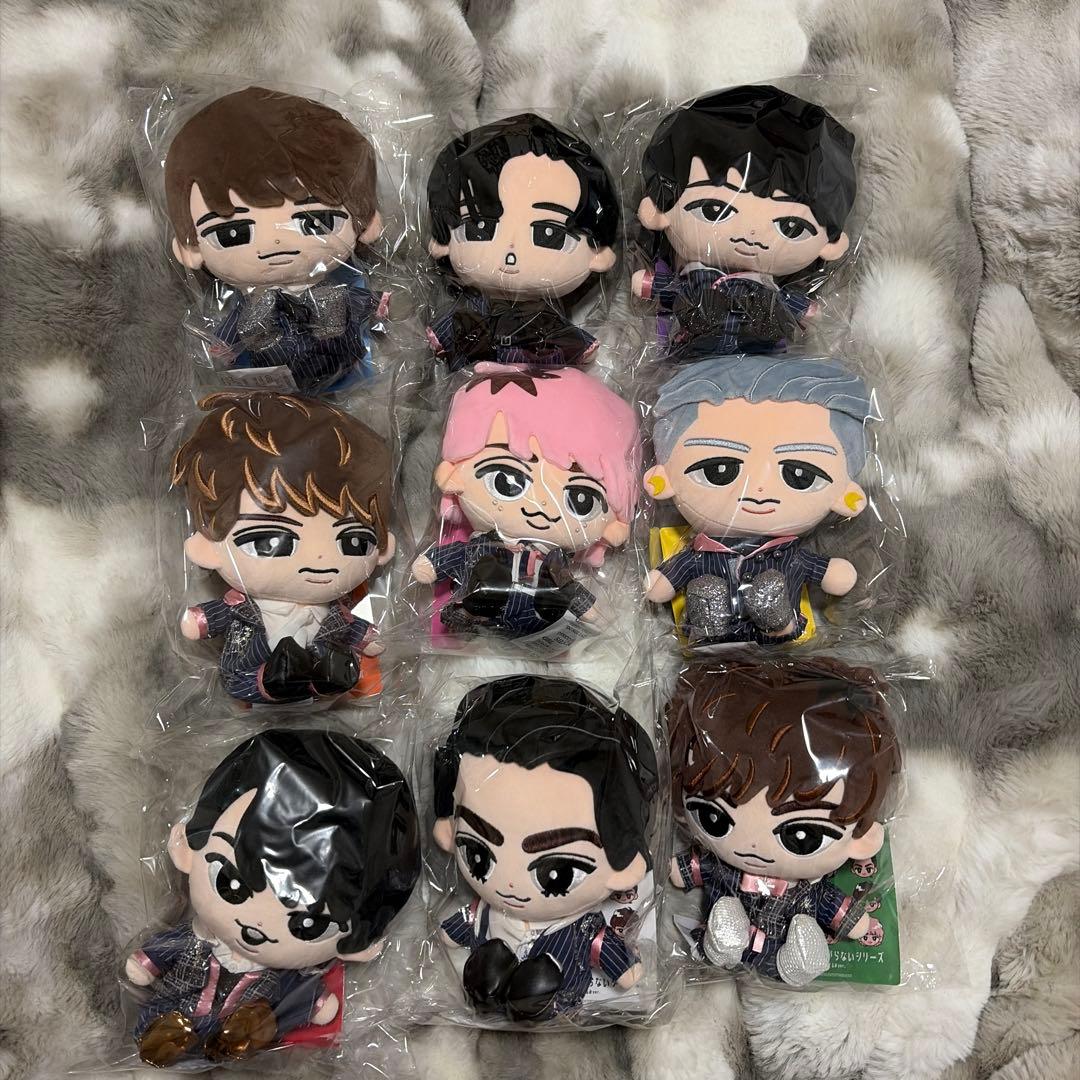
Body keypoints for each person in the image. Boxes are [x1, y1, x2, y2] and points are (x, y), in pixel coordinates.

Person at [125, 729, 420, 1065]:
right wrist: (145, 964)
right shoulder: (197, 939)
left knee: (263, 1016)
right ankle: (167, 1032)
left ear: (359, 941)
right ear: (187, 847)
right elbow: (156, 956)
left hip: (250, 1022)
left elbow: (312, 1000)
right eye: (230, 884)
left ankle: (242, 1032)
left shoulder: (285, 976)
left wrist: (318, 1004)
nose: (257, 925)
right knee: (164, 1017)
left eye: (307, 924)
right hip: (178, 1007)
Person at [432, 675, 658, 1020]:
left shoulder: (582, 928)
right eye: (478, 856)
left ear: (623, 865)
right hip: (490, 979)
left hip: (560, 1001)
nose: (510, 883)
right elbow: (456, 928)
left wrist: (625, 966)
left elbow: (611, 954)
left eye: (557, 874)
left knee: (544, 978)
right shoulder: (488, 912)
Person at [667, 659, 900, 985]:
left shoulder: (808, 891)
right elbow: (690, 868)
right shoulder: (723, 869)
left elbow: (833, 905)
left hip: (781, 945)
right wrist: (677, 869)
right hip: (725, 928)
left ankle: (798, 962)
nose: (752, 845)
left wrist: (856, 923)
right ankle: (722, 943)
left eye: (802, 835)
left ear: (861, 840)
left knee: (799, 934)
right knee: (724, 920)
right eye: (714, 817)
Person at [172, 392, 394, 702]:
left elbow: (353, 628)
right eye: (267, 541)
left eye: (353, 541)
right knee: (247, 679)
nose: (319, 558)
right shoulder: (241, 607)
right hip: (251, 676)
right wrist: (199, 620)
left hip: (325, 682)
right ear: (208, 548)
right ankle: (272, 682)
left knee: (334, 667)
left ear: (382, 546)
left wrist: (367, 639)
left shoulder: (335, 611)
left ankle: (326, 679)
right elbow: (209, 618)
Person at [165, 86, 389, 392]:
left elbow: (364, 305)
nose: (275, 243)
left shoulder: (341, 288)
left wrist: (378, 308)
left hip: (347, 372)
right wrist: (222, 350)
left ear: (367, 224)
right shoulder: (247, 309)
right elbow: (227, 337)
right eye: (233, 233)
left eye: (315, 221)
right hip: (266, 386)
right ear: (189, 249)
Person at [644, 354, 873, 645]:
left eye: (800, 475)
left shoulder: (789, 555)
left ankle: (778, 623)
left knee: (771, 585)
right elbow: (666, 581)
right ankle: (709, 629)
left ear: (847, 495)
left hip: (779, 638)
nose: (759, 490)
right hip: (713, 648)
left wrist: (832, 572)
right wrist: (661, 582)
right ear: (661, 480)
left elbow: (826, 572)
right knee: (705, 587)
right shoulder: (699, 555)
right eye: (719, 470)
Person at [411, 365, 638, 647]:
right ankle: (468, 614)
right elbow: (458, 555)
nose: (540, 506)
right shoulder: (484, 546)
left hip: (539, 626)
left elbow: (570, 588)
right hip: (481, 617)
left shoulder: (555, 562)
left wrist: (589, 611)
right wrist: (433, 563)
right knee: (483, 576)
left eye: (582, 499)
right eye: (506, 481)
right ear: (453, 476)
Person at [634, 85, 856, 358]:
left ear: (830, 245)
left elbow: (789, 304)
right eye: (714, 210)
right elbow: (669, 289)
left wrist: (805, 309)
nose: (750, 234)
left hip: (763, 356)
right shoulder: (694, 281)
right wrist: (650, 283)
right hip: (694, 354)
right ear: (658, 212)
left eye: (791, 227)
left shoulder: (768, 290)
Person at [425, 113, 619, 368]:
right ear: (443, 242)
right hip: (474, 382)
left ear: (598, 255)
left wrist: (578, 345)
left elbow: (561, 334)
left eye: (547, 233)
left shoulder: (544, 314)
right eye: (480, 227)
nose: (511, 252)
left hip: (539, 380)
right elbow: (451, 328)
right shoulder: (473, 307)